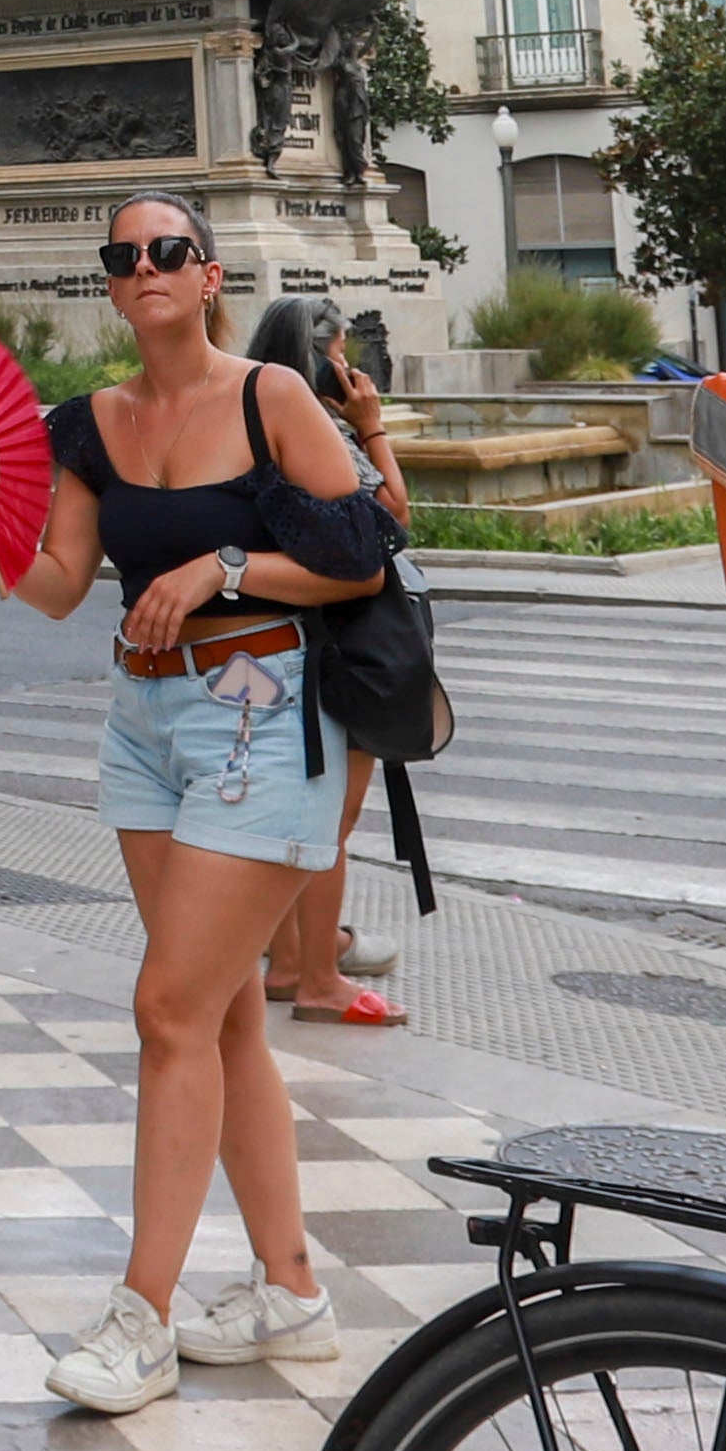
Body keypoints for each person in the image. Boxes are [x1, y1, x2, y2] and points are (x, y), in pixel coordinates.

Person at [0, 196, 397, 1416]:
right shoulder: (92, 423)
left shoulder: (267, 398)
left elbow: (361, 549)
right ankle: (289, 1290)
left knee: (166, 1006)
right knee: (223, 1009)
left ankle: (141, 1314)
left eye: (165, 252)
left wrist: (218, 565)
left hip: (257, 704)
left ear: (206, 273)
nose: (143, 269)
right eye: (121, 256)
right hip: (143, 721)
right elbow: (52, 586)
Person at [241, 297, 407, 1026]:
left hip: (253, 638)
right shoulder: (322, 431)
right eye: (343, 355)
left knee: (279, 808)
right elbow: (392, 520)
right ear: (327, 361)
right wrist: (372, 426)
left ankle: (285, 960)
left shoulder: (239, 419)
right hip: (335, 642)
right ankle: (316, 975)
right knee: (327, 821)